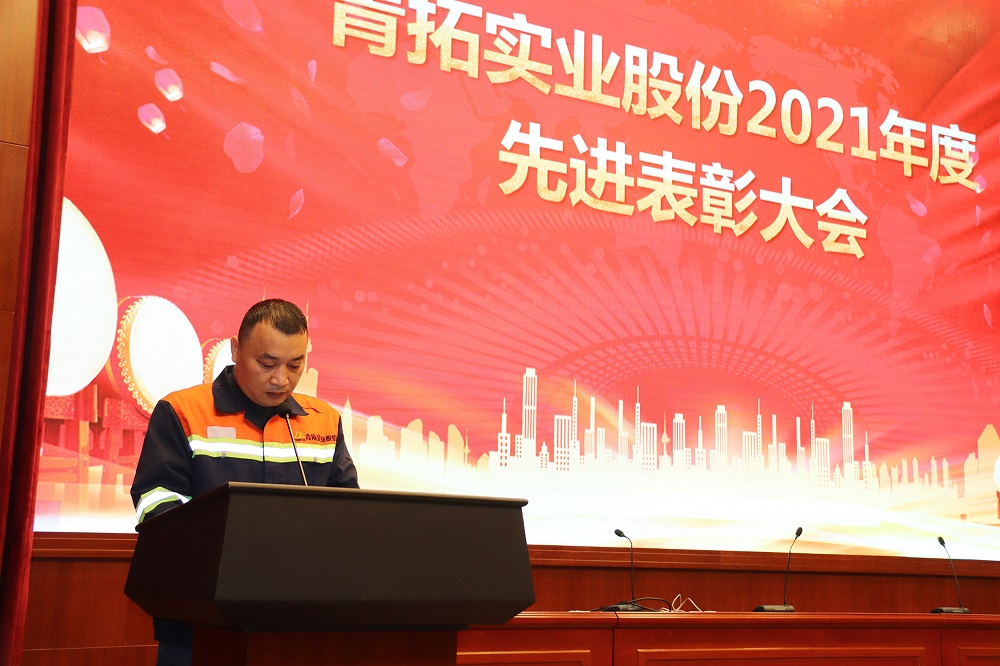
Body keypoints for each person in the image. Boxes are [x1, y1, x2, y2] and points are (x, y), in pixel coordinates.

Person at [129, 298, 359, 665]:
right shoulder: (183, 411)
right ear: (236, 350)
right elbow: (155, 504)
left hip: (298, 623)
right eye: (267, 363)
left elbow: (350, 516)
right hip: (198, 622)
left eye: (295, 365)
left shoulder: (324, 421)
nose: (281, 379)